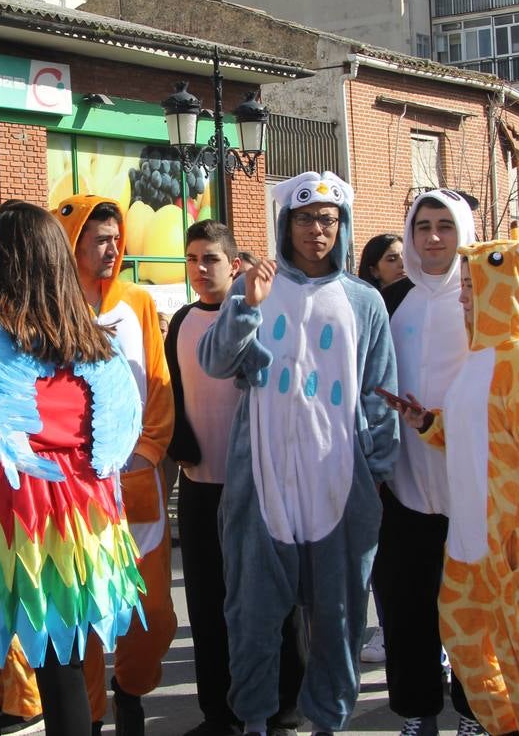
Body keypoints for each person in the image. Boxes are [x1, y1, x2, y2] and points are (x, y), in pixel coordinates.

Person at [0, 200, 145, 736]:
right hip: (82, 515)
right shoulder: (92, 337)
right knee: (63, 665)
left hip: (5, 510)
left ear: (3, 259)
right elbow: (112, 439)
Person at [198, 171, 399, 736]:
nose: (317, 230)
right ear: (287, 223)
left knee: (338, 612)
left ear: (342, 225)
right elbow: (216, 361)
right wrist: (247, 306)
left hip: (338, 476)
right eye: (307, 218)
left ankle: (328, 720)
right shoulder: (253, 286)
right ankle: (255, 718)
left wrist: (376, 470)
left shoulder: (364, 301)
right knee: (253, 609)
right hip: (262, 476)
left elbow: (379, 390)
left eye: (328, 220)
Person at [391, 239, 519, 736]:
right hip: (466, 538)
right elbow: (472, 432)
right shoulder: (478, 357)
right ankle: (506, 728)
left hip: (511, 540)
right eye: (465, 287)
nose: (463, 297)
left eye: (473, 287)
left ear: (504, 287)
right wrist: (428, 423)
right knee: (465, 643)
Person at [166, 220, 305, 736]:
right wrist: (180, 441)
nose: (200, 269)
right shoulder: (182, 322)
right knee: (207, 607)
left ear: (235, 265)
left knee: (274, 603)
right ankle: (218, 713)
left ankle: (284, 709)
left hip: (260, 484)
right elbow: (173, 392)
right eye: (192, 259)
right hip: (200, 486)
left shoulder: (258, 316)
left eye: (211, 259)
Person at [54, 194, 176, 735]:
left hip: (134, 478)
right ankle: (92, 715)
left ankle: (131, 688)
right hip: (74, 487)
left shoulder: (137, 302)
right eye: (100, 239)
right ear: (71, 243)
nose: (112, 249)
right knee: (82, 612)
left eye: (115, 239)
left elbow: (159, 383)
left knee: (153, 613)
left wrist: (147, 453)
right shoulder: (49, 308)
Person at [374, 190, 480, 736]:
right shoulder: (391, 300)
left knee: (472, 607)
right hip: (405, 479)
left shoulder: (483, 295)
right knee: (406, 603)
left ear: (463, 231)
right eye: (422, 226)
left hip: (472, 482)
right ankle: (416, 710)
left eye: (445, 225)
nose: (433, 237)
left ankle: (475, 709)